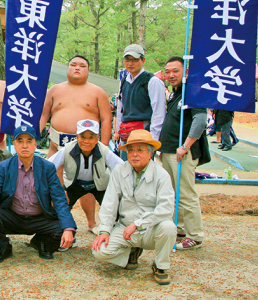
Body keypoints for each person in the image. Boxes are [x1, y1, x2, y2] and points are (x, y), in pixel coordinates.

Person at [0, 125, 76, 263]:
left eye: (29, 141)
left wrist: (68, 228)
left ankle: (41, 243)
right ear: (15, 144)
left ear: (35, 144)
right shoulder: (4, 167)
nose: (25, 145)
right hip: (13, 217)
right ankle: (3, 249)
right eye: (20, 141)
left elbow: (59, 199)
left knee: (65, 226)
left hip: (39, 218)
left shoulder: (47, 168)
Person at [92, 129, 176, 285]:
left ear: (150, 153)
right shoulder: (119, 170)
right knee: (99, 250)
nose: (134, 154)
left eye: (140, 150)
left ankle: (160, 265)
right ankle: (131, 252)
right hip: (124, 228)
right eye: (131, 150)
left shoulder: (162, 175)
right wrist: (104, 230)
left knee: (169, 227)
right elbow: (109, 203)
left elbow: (166, 209)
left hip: (150, 229)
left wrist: (138, 224)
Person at [159, 57, 206, 250]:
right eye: (168, 71)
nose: (171, 75)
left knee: (186, 193)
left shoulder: (192, 92)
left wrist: (185, 146)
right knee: (172, 193)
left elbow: (201, 119)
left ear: (185, 72)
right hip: (168, 151)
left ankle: (195, 235)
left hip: (182, 152)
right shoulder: (175, 94)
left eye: (175, 71)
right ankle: (179, 228)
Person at [48, 119, 122, 240]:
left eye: (91, 137)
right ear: (77, 137)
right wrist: (59, 190)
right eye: (83, 137)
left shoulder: (104, 151)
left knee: (115, 209)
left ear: (97, 138)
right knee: (56, 209)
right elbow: (48, 167)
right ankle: (64, 236)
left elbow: (121, 169)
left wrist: (115, 192)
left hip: (100, 185)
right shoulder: (67, 149)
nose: (86, 141)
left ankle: (112, 236)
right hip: (74, 184)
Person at [40, 55, 112, 158]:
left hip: (87, 148)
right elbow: (43, 116)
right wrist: (33, 137)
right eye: (73, 65)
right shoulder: (54, 90)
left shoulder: (98, 92)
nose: (77, 68)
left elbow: (106, 120)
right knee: (53, 173)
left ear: (88, 70)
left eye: (82, 66)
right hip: (56, 146)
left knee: (84, 174)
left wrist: (104, 147)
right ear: (68, 68)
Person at [115, 44, 166, 161]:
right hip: (126, 135)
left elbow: (159, 113)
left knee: (143, 172)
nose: (130, 63)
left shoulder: (152, 81)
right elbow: (120, 110)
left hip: (144, 134)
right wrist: (119, 136)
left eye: (135, 60)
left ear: (143, 60)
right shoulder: (123, 82)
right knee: (126, 171)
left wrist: (153, 141)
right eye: (127, 60)